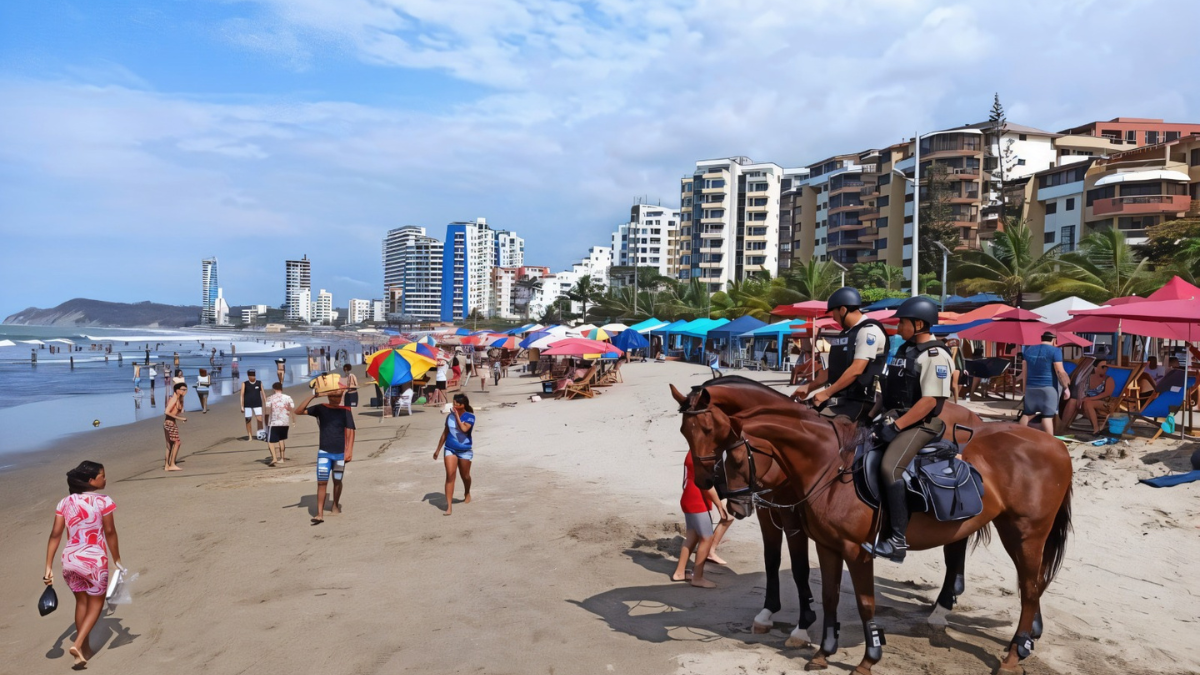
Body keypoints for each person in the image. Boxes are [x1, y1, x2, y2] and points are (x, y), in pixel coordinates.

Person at [863, 296, 955, 563]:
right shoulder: (904, 350)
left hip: (922, 424)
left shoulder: (935, 356)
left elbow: (929, 401)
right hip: (895, 417)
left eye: (902, 322)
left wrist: (896, 427)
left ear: (918, 324)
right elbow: (889, 392)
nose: (898, 326)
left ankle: (897, 540)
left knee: (890, 468)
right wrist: (870, 418)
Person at [43, 461, 123, 669]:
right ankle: (78, 644)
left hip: (70, 559)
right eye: (102, 476)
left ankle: (84, 650)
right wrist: (117, 559)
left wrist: (48, 566)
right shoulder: (104, 501)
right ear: (91, 481)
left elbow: (55, 535)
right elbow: (110, 532)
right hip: (94, 560)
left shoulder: (64, 503)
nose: (105, 479)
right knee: (96, 604)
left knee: (81, 603)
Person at [792, 286, 887, 425]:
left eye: (834, 313)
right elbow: (834, 370)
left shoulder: (868, 331)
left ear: (843, 310)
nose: (834, 318)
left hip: (861, 401)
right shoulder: (847, 334)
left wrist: (826, 393)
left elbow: (856, 370)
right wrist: (809, 387)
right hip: (841, 399)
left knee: (816, 428)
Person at [296, 388, 355, 524]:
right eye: (333, 396)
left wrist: (349, 451)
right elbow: (298, 411)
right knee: (322, 482)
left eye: (339, 396)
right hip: (324, 452)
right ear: (328, 396)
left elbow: (351, 431)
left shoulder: (345, 411)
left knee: (337, 480)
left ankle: (335, 504)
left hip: (340, 453)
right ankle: (319, 513)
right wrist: (314, 396)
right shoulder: (320, 408)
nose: (336, 399)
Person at [671, 453, 718, 588]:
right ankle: (697, 578)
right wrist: (720, 507)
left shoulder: (692, 451)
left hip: (688, 495)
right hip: (697, 499)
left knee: (692, 536)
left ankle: (679, 573)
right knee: (707, 537)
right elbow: (706, 486)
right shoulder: (702, 454)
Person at [1018, 332, 1071, 435]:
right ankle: (1050, 443)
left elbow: (1024, 370)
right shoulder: (1056, 351)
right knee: (1047, 417)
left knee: (1027, 414)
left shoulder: (1029, 350)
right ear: (1054, 340)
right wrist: (1066, 388)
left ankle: (1019, 436)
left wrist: (1024, 389)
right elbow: (1060, 371)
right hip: (1048, 388)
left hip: (1030, 387)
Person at [433, 393, 476, 516]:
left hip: (465, 451)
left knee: (465, 476)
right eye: (454, 404)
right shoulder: (449, 417)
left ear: (464, 405)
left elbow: (463, 429)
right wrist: (438, 450)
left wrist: (457, 416)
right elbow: (445, 433)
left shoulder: (470, 417)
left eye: (457, 404)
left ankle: (467, 492)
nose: (454, 406)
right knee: (450, 475)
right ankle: (449, 507)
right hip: (450, 448)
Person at [1079, 359, 1116, 434]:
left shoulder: (1108, 379)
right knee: (1083, 403)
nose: (1105, 369)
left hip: (1106, 402)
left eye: (1106, 367)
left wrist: (1090, 398)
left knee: (1088, 403)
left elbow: (1107, 393)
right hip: (1088, 402)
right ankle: (1096, 427)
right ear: (1095, 368)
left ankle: (1096, 428)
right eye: (1103, 367)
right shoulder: (1088, 378)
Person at [265, 382, 295, 466]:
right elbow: (292, 408)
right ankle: (282, 458)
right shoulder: (288, 397)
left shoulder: (270, 398)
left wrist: (266, 423)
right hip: (285, 422)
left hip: (274, 422)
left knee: (270, 441)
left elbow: (267, 411)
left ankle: (274, 458)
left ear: (274, 389)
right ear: (281, 388)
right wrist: (293, 420)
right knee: (281, 439)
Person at [163, 382, 187, 471]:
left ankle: (167, 466)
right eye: (183, 390)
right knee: (177, 443)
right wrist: (180, 419)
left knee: (169, 445)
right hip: (169, 423)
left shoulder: (178, 399)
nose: (185, 391)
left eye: (185, 390)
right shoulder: (174, 399)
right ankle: (172, 464)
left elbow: (179, 410)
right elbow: (166, 412)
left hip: (170, 423)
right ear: (177, 390)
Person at [240, 369, 266, 441]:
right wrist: (242, 406)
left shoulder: (259, 383)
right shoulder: (244, 384)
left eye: (253, 376)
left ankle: (261, 435)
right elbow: (242, 395)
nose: (252, 377)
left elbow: (263, 394)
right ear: (248, 376)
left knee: (260, 419)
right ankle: (250, 436)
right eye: (251, 376)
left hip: (257, 403)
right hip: (247, 404)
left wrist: (266, 403)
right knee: (248, 420)